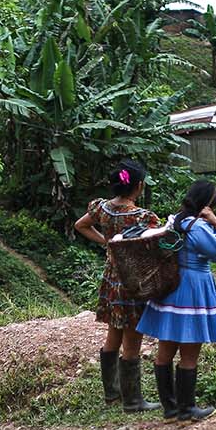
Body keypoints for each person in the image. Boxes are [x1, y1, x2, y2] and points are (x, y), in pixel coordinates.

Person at [136, 179, 216, 422]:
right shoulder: (198, 227)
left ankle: (170, 408)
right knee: (190, 353)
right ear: (208, 205)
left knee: (165, 351)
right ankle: (187, 409)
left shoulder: (174, 220)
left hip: (170, 288)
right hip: (193, 289)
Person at [73, 159, 163, 412]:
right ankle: (133, 401)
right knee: (132, 341)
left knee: (113, 335)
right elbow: (158, 247)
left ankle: (112, 394)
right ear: (139, 186)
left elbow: (80, 225)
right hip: (133, 285)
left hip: (111, 280)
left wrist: (107, 242)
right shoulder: (144, 217)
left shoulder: (101, 209)